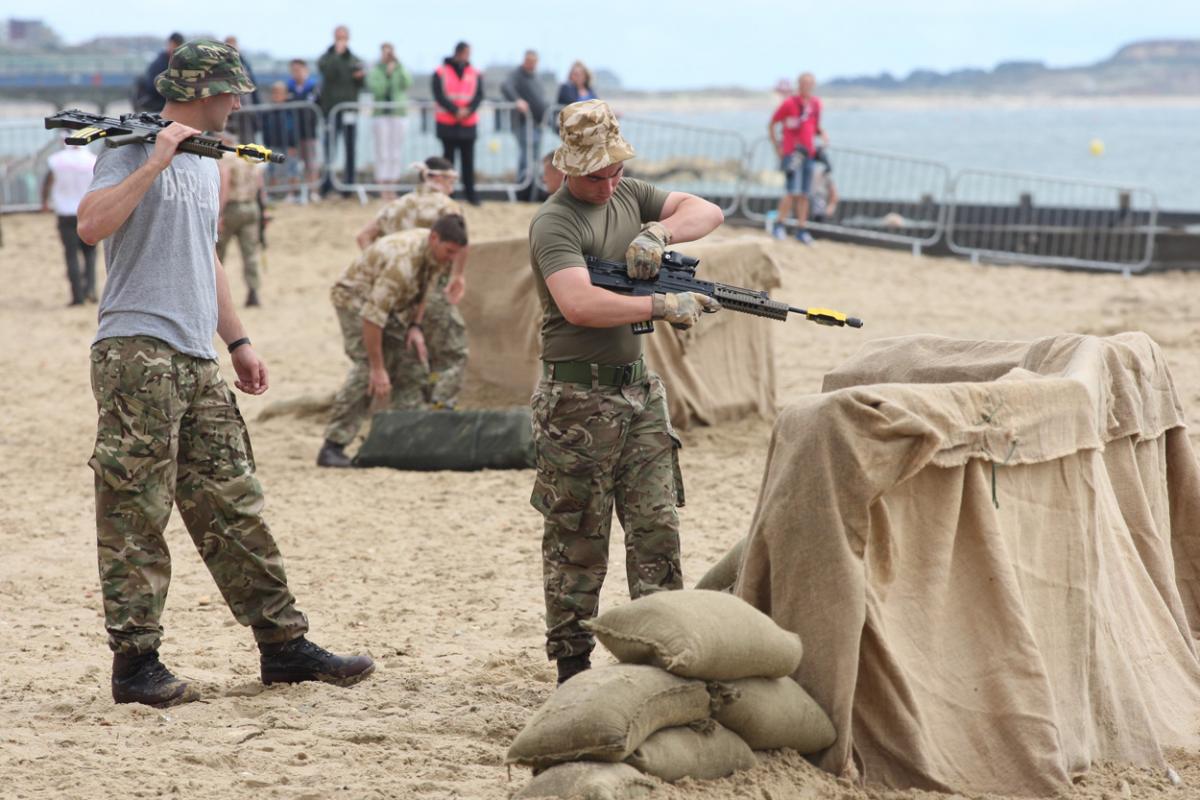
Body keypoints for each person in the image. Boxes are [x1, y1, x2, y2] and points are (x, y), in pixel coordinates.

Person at [75, 39, 374, 708]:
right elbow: (92, 226)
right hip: (135, 351)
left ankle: (284, 648)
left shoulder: (210, 162)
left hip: (195, 355)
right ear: (202, 91)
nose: (240, 102)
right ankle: (136, 664)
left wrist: (237, 339)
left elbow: (204, 254)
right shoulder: (130, 146)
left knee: (234, 501)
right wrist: (155, 161)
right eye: (232, 92)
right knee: (135, 512)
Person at [528, 100, 724, 684]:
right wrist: (661, 305)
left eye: (615, 170)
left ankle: (661, 656)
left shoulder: (627, 194)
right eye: (596, 174)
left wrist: (659, 232)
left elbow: (706, 209)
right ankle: (573, 666)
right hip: (576, 403)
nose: (608, 182)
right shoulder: (555, 222)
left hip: (639, 394)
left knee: (656, 529)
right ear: (567, 168)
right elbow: (579, 303)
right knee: (578, 540)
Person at [317, 214, 469, 468]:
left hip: (388, 307)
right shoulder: (402, 265)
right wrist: (378, 369)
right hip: (355, 300)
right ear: (434, 238)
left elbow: (425, 288)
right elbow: (371, 318)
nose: (452, 258)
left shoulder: (435, 251)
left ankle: (406, 433)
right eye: (449, 251)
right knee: (368, 367)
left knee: (410, 358)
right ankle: (333, 446)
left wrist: (415, 326)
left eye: (457, 253)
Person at [355, 157, 468, 410]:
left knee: (409, 354)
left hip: (394, 292)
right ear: (437, 178)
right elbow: (461, 245)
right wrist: (457, 277)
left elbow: (363, 236)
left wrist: (381, 271)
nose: (452, 186)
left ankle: (411, 410)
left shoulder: (396, 205)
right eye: (451, 180)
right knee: (452, 352)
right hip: (431, 288)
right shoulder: (447, 206)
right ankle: (441, 407)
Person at [767, 72, 828, 244]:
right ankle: (779, 224)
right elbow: (772, 123)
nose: (807, 87)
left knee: (804, 193)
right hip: (792, 153)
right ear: (799, 85)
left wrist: (823, 134)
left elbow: (815, 126)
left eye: (810, 84)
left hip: (808, 153)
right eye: (804, 83)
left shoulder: (816, 104)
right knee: (791, 191)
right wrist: (777, 147)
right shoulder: (789, 103)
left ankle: (802, 229)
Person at [41, 139, 99, 305]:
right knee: (90, 253)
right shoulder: (92, 159)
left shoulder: (57, 159)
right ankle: (91, 289)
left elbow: (47, 182)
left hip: (65, 212)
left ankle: (77, 296)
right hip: (88, 210)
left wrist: (44, 202)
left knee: (71, 254)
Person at [217, 135, 265, 307]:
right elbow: (261, 186)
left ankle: (214, 291)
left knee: (219, 251)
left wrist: (219, 213)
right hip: (252, 206)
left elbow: (225, 185)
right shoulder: (251, 156)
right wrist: (263, 210)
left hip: (232, 207)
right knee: (250, 253)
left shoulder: (227, 158)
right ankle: (253, 291)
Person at [432, 41, 482, 206]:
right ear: (458, 53)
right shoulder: (441, 72)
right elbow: (439, 95)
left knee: (469, 161)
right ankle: (448, 195)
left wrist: (468, 110)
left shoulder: (474, 72)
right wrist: (455, 110)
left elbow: (478, 95)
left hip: (468, 124)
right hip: (447, 123)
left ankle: (471, 195)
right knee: (448, 163)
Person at [318, 26, 366, 198]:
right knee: (329, 149)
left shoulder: (355, 60)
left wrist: (361, 77)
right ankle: (327, 184)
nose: (341, 40)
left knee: (350, 149)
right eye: (338, 37)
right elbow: (328, 74)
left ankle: (349, 185)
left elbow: (362, 85)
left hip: (349, 111)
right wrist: (337, 56)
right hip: (330, 111)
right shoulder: (326, 58)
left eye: (344, 37)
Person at [501, 49, 549, 202]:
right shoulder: (517, 74)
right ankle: (523, 186)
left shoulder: (536, 77)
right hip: (523, 123)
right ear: (524, 61)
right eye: (528, 61)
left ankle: (533, 185)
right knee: (526, 155)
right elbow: (506, 86)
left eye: (533, 62)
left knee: (534, 156)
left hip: (538, 124)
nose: (531, 64)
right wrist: (517, 100)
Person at [367, 42, 413, 200]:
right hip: (381, 114)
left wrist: (397, 67)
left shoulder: (400, 68)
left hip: (398, 113)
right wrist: (387, 75)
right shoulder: (376, 70)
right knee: (382, 152)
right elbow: (376, 89)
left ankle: (393, 185)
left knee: (395, 152)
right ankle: (382, 186)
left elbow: (407, 83)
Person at [286, 59, 321, 192]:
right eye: (293, 70)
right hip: (292, 132)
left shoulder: (313, 87)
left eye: (298, 70)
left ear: (305, 70)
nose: (296, 73)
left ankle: (313, 191)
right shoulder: (289, 87)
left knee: (311, 163)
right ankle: (292, 192)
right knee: (292, 164)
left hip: (309, 131)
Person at [261, 82, 300, 195]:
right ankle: (274, 193)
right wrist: (266, 144)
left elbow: (295, 128)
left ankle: (292, 194)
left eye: (280, 93)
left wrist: (293, 144)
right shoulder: (268, 111)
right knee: (273, 169)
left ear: (285, 94)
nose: (277, 95)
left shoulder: (290, 109)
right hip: (273, 144)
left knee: (292, 168)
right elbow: (265, 129)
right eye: (275, 92)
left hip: (289, 145)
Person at [135, 33, 183, 112]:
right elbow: (153, 87)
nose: (176, 49)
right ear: (169, 44)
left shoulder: (176, 62)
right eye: (174, 45)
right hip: (155, 103)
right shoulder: (160, 63)